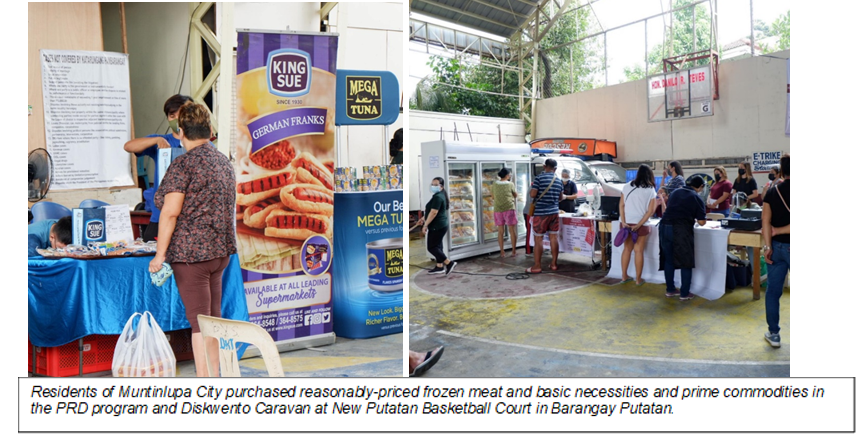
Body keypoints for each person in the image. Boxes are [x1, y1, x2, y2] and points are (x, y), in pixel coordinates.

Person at [148, 102, 236, 377]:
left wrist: (159, 255)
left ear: (181, 132)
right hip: (220, 253)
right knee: (212, 320)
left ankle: (204, 384)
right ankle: (214, 379)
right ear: (209, 130)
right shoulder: (223, 161)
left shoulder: (183, 165)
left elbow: (170, 213)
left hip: (192, 256)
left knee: (199, 324)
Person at [124, 94, 194, 242]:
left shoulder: (200, 144)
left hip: (191, 217)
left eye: (181, 114)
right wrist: (156, 140)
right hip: (160, 216)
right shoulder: (162, 141)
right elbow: (129, 146)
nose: (177, 119)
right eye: (172, 116)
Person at [659, 175, 707, 301]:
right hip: (680, 229)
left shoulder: (675, 192)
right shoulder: (696, 197)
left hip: (664, 226)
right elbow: (702, 222)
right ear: (700, 186)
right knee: (686, 261)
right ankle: (684, 293)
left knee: (668, 259)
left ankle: (670, 290)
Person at [762, 155, 790, 348]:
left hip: (776, 248)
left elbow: (765, 221)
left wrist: (767, 246)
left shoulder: (773, 192)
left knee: (773, 292)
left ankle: (774, 334)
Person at [618, 165, 658, 286]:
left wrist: (624, 222)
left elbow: (621, 205)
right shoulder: (650, 189)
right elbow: (650, 211)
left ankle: (624, 276)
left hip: (626, 223)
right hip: (641, 224)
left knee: (627, 249)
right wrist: (639, 224)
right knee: (638, 251)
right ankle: (638, 280)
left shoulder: (627, 186)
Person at [527, 159, 564, 273]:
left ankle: (537, 266)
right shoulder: (559, 180)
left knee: (538, 239)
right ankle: (554, 264)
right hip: (554, 213)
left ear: (544, 166)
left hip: (541, 213)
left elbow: (533, 194)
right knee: (554, 238)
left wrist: (532, 192)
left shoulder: (539, 178)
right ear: (555, 169)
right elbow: (560, 198)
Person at [418, 177, 456, 275]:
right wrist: (423, 218)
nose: (433, 186)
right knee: (438, 246)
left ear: (441, 186)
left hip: (437, 226)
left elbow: (434, 212)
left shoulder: (438, 197)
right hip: (440, 225)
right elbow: (431, 211)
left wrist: (425, 225)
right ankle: (439, 266)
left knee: (432, 247)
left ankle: (449, 263)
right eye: (432, 184)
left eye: (435, 185)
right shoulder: (439, 195)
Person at [492, 168, 518, 257]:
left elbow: (492, 196)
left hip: (498, 209)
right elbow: (515, 195)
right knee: (512, 230)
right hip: (509, 208)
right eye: (509, 174)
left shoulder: (495, 184)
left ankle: (502, 252)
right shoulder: (510, 184)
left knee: (500, 231)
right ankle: (514, 251)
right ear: (507, 176)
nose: (510, 176)